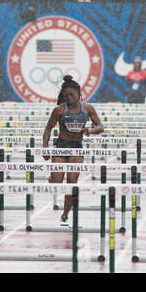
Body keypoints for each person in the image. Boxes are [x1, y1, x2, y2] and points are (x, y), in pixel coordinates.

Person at [42, 75, 104, 226]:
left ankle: (65, 214)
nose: (69, 97)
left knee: (71, 183)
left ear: (79, 94)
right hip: (61, 146)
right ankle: (52, 179)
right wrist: (45, 148)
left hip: (76, 148)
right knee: (56, 184)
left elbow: (100, 127)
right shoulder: (59, 110)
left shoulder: (88, 109)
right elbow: (48, 128)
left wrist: (90, 130)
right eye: (66, 95)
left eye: (72, 94)